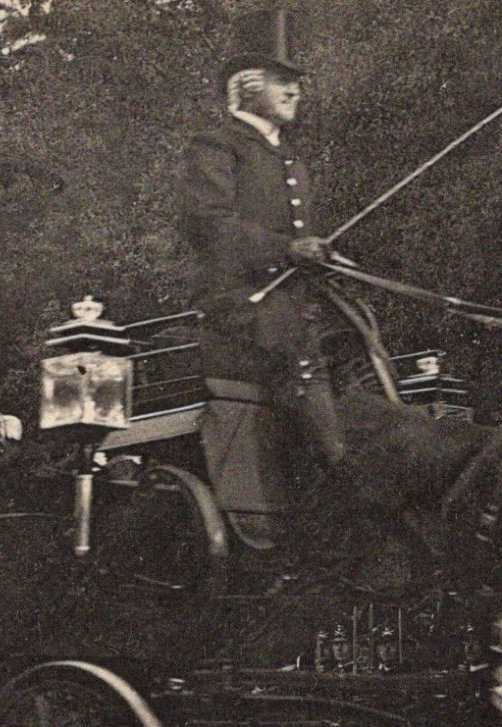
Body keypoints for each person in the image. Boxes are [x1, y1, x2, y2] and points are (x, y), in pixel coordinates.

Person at [178, 7, 344, 549]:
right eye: (283, 79)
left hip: (295, 316)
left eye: (297, 81)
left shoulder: (291, 160)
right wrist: (286, 250)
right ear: (245, 86)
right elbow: (209, 225)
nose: (296, 90)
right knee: (317, 408)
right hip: (244, 319)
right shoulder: (217, 146)